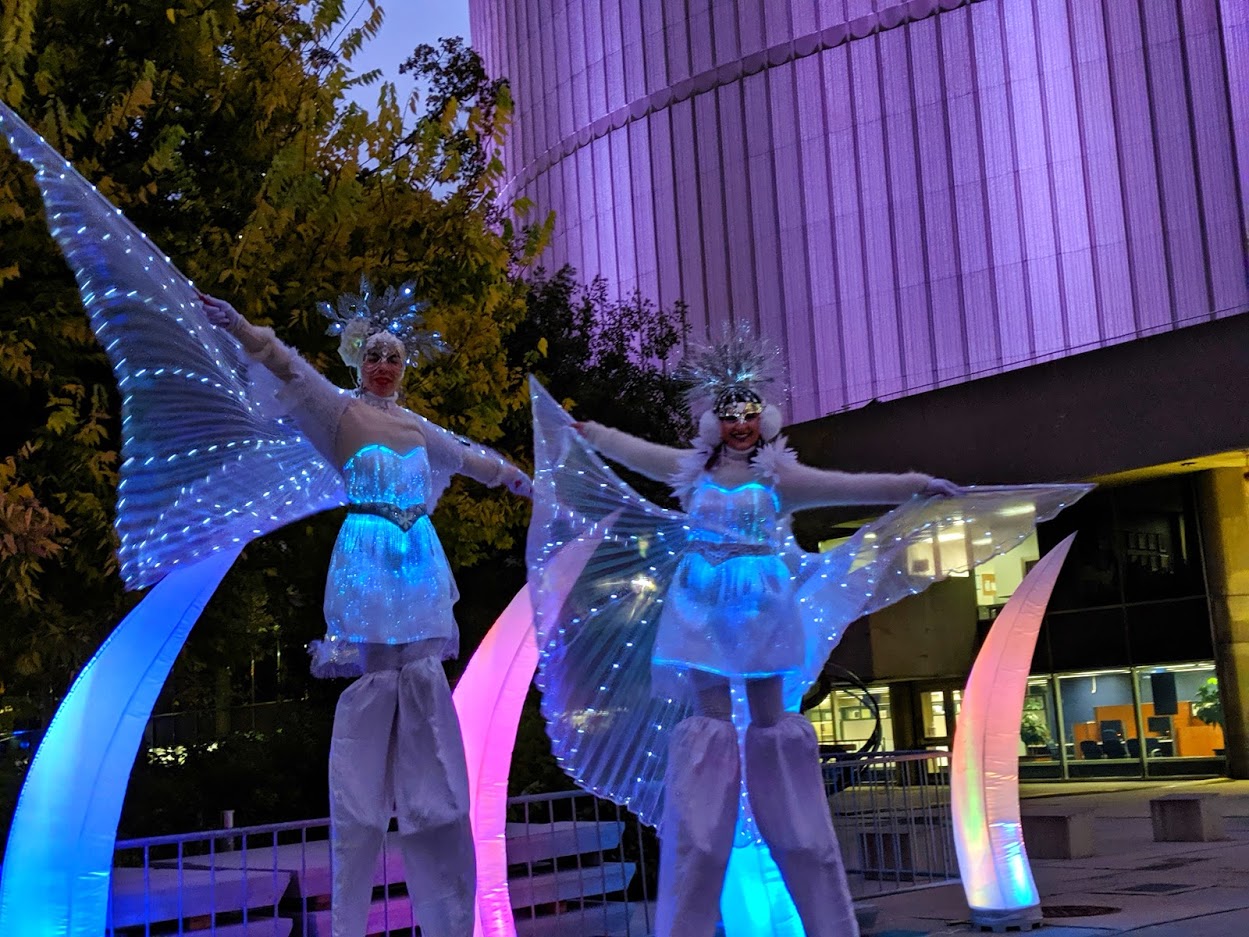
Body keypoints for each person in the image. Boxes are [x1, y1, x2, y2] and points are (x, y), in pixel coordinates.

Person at [525, 330, 1090, 937]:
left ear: (762, 420)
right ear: (715, 423)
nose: (740, 426)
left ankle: (790, 830)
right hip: (700, 604)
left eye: (748, 415)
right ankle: (709, 840)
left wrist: (914, 484)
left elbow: (848, 486)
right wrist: (591, 434)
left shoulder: (779, 478)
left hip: (761, 605)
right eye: (729, 416)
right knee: (709, 722)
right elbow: (638, 454)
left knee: (770, 719)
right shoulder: (693, 474)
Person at [202, 283, 530, 937]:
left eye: (394, 357)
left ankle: (447, 905)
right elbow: (289, 367)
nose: (384, 366)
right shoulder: (341, 412)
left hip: (417, 562)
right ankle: (355, 893)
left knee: (423, 694)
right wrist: (240, 327)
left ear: (404, 367)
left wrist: (520, 480)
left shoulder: (416, 427)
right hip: (370, 561)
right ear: (359, 360)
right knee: (378, 689)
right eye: (374, 355)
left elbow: (469, 459)